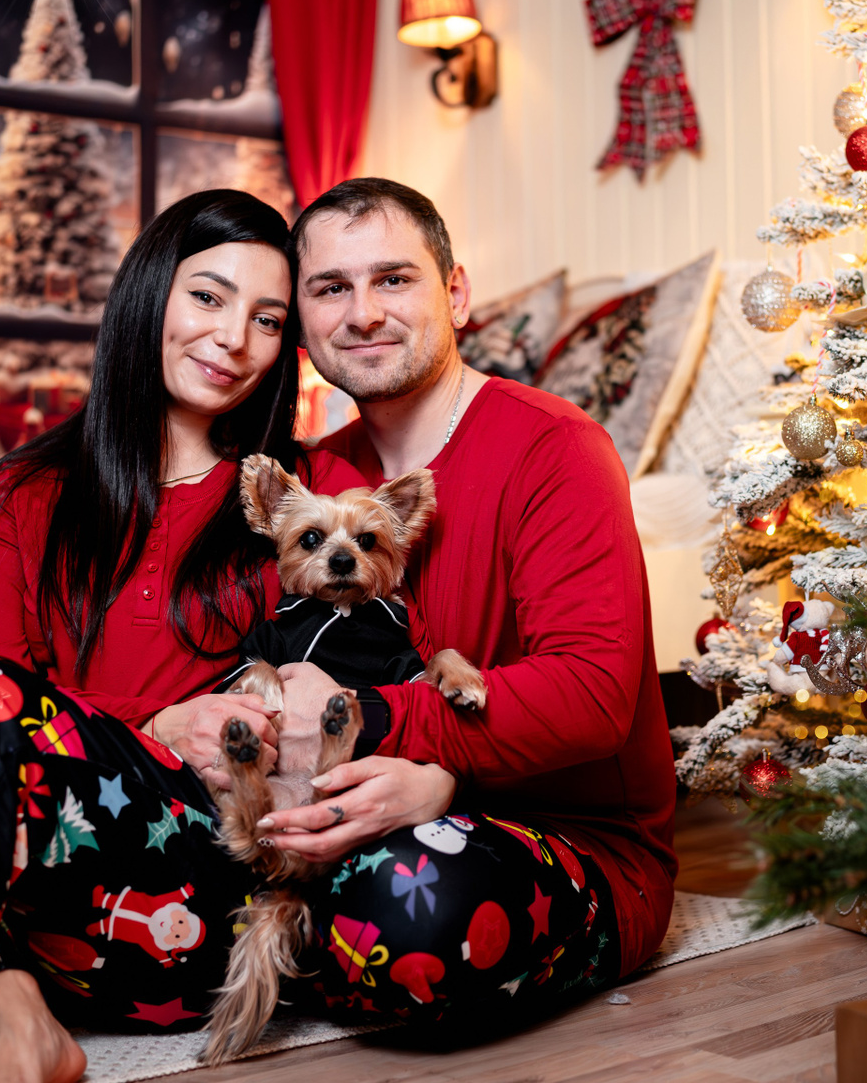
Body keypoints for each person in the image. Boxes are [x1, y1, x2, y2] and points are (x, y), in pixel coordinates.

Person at [0, 181, 658, 1083]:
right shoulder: (33, 489)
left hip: (200, 862)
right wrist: (154, 724)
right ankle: (2, 999)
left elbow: (365, 679)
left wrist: (417, 763)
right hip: (38, 826)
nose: (236, 337)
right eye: (211, 297)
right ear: (150, 296)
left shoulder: (300, 498)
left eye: (267, 317)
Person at [266, 177, 678, 1004]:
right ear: (303, 323)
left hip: (566, 839)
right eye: (331, 288)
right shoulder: (311, 479)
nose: (363, 313)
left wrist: (407, 746)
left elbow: (593, 696)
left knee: (413, 913)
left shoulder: (556, 448)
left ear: (455, 294)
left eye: (393, 279)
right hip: (341, 811)